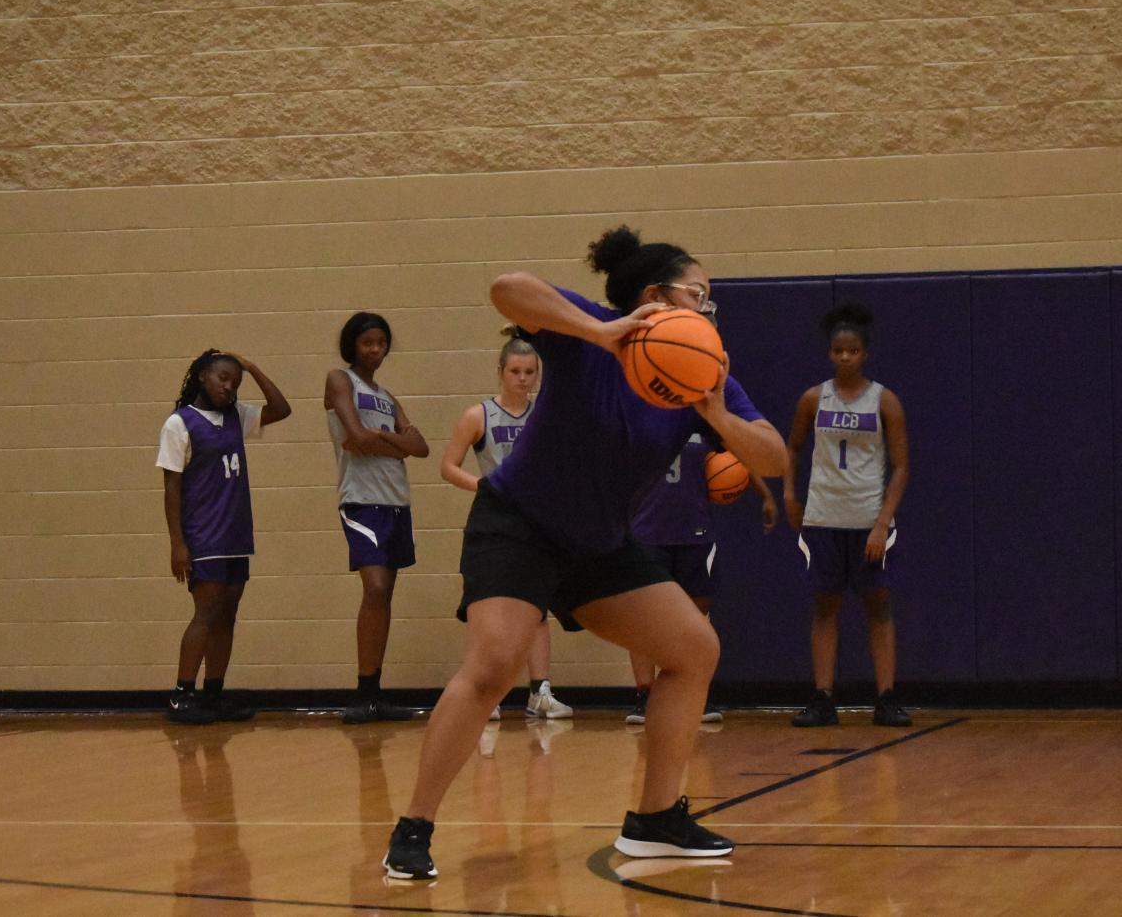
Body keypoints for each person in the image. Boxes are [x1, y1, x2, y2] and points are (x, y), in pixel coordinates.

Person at [382, 225, 786, 880]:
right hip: (519, 524)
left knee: (693, 649)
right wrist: (599, 332)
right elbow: (505, 289)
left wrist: (717, 416)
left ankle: (655, 820)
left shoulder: (700, 375)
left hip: (598, 544)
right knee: (492, 664)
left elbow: (772, 457)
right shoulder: (592, 331)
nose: (710, 311)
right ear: (655, 296)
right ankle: (413, 828)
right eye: (699, 295)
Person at [783, 302, 911, 728]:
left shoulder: (884, 401)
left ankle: (887, 699)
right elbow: (793, 447)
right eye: (838, 351)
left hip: (867, 518)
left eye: (852, 351)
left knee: (878, 606)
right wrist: (788, 494)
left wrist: (882, 522)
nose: (844, 357)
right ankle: (822, 699)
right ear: (830, 354)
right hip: (822, 516)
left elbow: (902, 466)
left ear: (864, 354)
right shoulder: (811, 399)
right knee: (825, 608)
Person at [439, 331, 572, 721]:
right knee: (488, 609)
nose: (523, 378)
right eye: (515, 370)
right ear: (501, 371)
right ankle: (487, 692)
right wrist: (483, 485)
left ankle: (540, 691)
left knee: (537, 608)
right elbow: (448, 466)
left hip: (538, 519)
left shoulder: (545, 415)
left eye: (530, 371)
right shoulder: (478, 415)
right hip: (495, 521)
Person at [157, 350, 290, 725]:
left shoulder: (236, 416)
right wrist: (178, 543)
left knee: (227, 615)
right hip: (204, 534)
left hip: (235, 533)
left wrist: (254, 366)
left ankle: (213, 693)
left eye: (235, 381)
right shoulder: (179, 423)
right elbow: (171, 488)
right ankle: (182, 695)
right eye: (222, 377)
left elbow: (281, 409)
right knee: (206, 613)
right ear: (202, 376)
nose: (229, 386)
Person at [626, 433, 777, 726]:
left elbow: (738, 449)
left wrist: (765, 493)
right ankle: (645, 695)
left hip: (695, 532)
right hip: (646, 531)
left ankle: (696, 692)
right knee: (643, 618)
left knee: (696, 618)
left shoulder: (701, 420)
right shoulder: (640, 416)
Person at [325, 313, 430, 724]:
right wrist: (395, 440)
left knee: (385, 594)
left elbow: (420, 447)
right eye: (367, 342)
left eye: (381, 343)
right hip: (361, 500)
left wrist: (382, 439)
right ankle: (361, 691)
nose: (375, 350)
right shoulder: (339, 380)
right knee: (376, 584)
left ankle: (374, 691)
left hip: (396, 501)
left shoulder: (386, 396)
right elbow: (355, 434)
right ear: (352, 344)